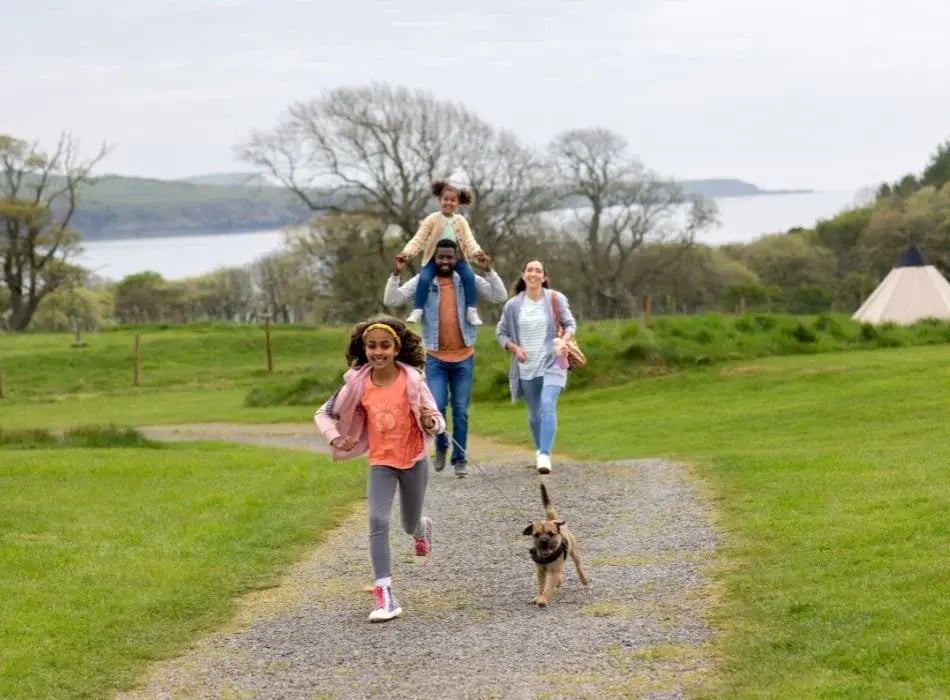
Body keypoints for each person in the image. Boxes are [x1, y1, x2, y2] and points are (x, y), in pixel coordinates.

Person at [314, 315, 446, 622]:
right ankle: (384, 594)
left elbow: (438, 422)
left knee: (408, 522)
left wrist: (431, 422)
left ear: (396, 348)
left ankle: (421, 529)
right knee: (376, 518)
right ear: (364, 349)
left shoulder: (413, 380)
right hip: (381, 462)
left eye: (385, 346)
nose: (378, 352)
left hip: (413, 460)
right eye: (371, 346)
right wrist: (336, 438)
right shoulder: (357, 384)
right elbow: (323, 414)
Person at [384, 238, 507, 478]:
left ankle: (460, 459)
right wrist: (395, 274)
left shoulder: (466, 280)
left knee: (460, 410)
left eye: (450, 257)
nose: (445, 261)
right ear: (434, 258)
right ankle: (441, 447)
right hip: (436, 358)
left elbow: (498, 296)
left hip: (464, 358)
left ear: (456, 259)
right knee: (437, 407)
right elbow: (392, 300)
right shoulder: (424, 281)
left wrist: (489, 271)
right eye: (441, 257)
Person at [495, 260, 577, 475]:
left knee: (548, 403)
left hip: (553, 362)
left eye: (538, 270)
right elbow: (501, 333)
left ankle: (545, 455)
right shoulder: (512, 305)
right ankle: (540, 449)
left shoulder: (555, 299)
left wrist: (563, 341)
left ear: (544, 277)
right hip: (526, 367)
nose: (533, 274)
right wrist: (514, 348)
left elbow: (570, 324)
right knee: (534, 414)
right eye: (529, 270)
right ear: (523, 275)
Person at [396, 174, 489, 327]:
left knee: (469, 277)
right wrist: (407, 253)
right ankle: (418, 309)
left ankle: (471, 310)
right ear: (440, 200)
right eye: (445, 199)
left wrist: (476, 254)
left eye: (452, 200)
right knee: (424, 278)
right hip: (435, 259)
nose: (449, 203)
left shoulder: (461, 221)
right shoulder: (432, 219)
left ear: (457, 203)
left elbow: (469, 241)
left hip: (456, 259)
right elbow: (418, 239)